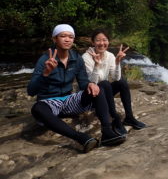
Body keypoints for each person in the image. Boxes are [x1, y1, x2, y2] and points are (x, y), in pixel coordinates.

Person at [27, 24, 126, 153]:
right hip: (50, 102)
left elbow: (83, 82)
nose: (67, 39)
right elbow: (31, 91)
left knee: (98, 86)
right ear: (54, 39)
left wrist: (90, 85)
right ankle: (81, 138)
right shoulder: (45, 59)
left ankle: (107, 131)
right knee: (37, 108)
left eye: (71, 37)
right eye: (63, 36)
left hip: (69, 100)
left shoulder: (76, 58)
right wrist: (45, 73)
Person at [82, 29, 146, 136]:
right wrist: (97, 64)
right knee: (105, 83)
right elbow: (93, 82)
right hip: (92, 95)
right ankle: (115, 118)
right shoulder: (86, 58)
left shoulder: (110, 56)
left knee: (122, 82)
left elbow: (116, 78)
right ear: (92, 42)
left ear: (108, 41)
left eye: (105, 40)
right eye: (98, 40)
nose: (102, 43)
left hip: (105, 91)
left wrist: (117, 63)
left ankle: (129, 117)